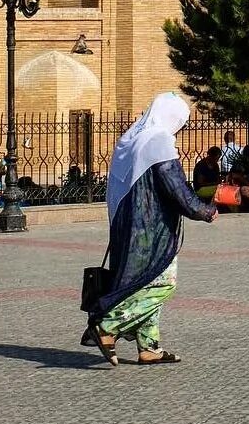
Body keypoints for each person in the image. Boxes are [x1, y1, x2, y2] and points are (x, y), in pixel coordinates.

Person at [84, 93, 216, 367]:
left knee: (142, 282)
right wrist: (204, 211)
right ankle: (107, 325)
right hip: (150, 226)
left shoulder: (132, 138)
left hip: (127, 225)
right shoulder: (159, 140)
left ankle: (149, 346)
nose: (180, 128)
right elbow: (175, 187)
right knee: (163, 283)